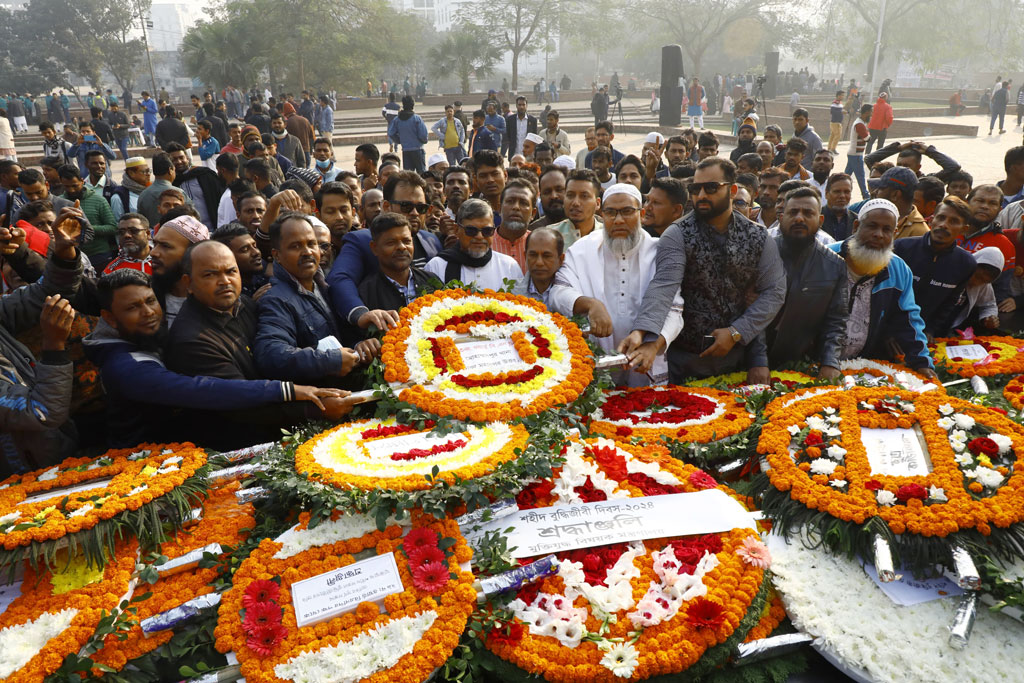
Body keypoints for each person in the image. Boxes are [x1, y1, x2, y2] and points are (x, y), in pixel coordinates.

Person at [622, 157, 786, 384]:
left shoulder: (758, 236)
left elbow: (774, 291)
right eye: (695, 189)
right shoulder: (677, 234)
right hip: (683, 360)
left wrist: (736, 332)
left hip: (736, 357)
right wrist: (643, 332)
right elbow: (663, 286)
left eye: (711, 188)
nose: (701, 196)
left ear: (733, 190)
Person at [550, 183, 683, 386]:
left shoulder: (658, 252)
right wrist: (590, 304)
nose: (619, 220)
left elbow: (674, 309)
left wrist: (653, 346)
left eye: (627, 211)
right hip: (594, 363)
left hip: (644, 360)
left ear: (642, 213)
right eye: (611, 212)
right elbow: (558, 291)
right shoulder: (582, 250)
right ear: (602, 215)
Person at [0, 208, 82, 475]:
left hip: (56, 458)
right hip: (22, 479)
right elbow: (41, 411)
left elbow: (48, 292)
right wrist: (54, 345)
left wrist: (62, 252)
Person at [827, 198, 935, 375]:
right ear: (856, 226)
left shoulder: (898, 270)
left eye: (887, 230)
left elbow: (908, 319)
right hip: (814, 361)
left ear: (895, 233)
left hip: (863, 365)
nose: (878, 234)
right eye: (872, 226)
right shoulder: (828, 257)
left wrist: (922, 362)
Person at [255, 212, 364, 384]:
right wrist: (329, 361)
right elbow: (271, 354)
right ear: (277, 255)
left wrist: (360, 344)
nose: (307, 252)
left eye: (312, 244)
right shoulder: (276, 300)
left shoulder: (324, 285)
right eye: (295, 246)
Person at [328, 171, 440, 328]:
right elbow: (340, 279)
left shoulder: (431, 240)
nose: (414, 213)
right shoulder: (362, 241)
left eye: (421, 208)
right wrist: (361, 314)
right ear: (386, 206)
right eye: (406, 206)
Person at [764, 187, 847, 376]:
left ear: (821, 220)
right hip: (749, 361)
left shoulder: (835, 265)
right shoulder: (761, 254)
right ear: (781, 217)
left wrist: (830, 362)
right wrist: (757, 361)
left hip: (802, 364)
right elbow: (749, 311)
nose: (799, 218)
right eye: (793, 212)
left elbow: (836, 320)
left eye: (808, 213)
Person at [892, 195, 976, 337]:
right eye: (941, 218)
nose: (944, 224)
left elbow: (950, 303)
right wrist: (888, 332)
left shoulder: (966, 263)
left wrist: (931, 330)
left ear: (964, 229)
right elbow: (885, 295)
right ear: (931, 220)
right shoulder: (901, 248)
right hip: (887, 330)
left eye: (954, 221)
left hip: (923, 335)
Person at [425, 198, 521, 289]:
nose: (479, 236)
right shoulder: (436, 267)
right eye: (471, 230)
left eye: (487, 231)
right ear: (456, 230)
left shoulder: (509, 266)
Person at [150, 214, 210, 325]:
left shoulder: (214, 301)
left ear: (192, 253)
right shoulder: (147, 301)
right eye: (155, 244)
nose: (153, 252)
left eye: (165, 246)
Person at [58, 164, 116, 268]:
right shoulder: (59, 202)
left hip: (99, 255)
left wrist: (85, 228)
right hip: (73, 257)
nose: (71, 190)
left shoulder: (98, 200)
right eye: (67, 186)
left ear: (82, 181)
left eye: (75, 185)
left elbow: (112, 227)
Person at [167, 143, 223, 231]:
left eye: (181, 158)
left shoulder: (205, 175)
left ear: (187, 158)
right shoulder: (171, 183)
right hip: (187, 232)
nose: (179, 162)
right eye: (174, 159)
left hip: (213, 229)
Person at [949, 247, 1003, 332]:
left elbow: (989, 305)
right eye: (977, 277)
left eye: (984, 281)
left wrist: (988, 317)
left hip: (951, 327)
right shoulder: (952, 269)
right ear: (973, 264)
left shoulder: (984, 284)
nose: (976, 283)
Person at [548, 168, 603, 249]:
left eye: (584, 196)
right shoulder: (550, 235)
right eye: (570, 195)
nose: (575, 203)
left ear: (597, 203)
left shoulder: (607, 236)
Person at [869, 167, 928, 240]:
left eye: (881, 188)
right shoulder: (878, 216)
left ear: (895, 195)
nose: (875, 192)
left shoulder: (918, 232)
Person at [864, 140, 962, 183]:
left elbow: (953, 167)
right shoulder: (889, 177)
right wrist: (898, 148)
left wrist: (929, 151)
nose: (901, 168)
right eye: (899, 164)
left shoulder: (925, 182)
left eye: (907, 166)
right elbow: (869, 159)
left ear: (918, 167)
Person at [212, 223, 268, 297]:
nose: (256, 252)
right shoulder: (224, 293)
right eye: (245, 249)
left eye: (255, 246)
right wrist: (249, 305)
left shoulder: (265, 273)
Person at [492, 178, 534, 272]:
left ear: (533, 213)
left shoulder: (539, 244)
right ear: (499, 208)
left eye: (523, 203)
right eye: (510, 201)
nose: (516, 207)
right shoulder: (486, 243)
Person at [388, 96, 428, 173]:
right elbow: (423, 135)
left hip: (406, 150)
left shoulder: (397, 119)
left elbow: (391, 133)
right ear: (412, 105)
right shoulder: (416, 118)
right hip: (418, 149)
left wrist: (399, 140)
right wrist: (422, 141)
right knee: (422, 173)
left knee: (408, 175)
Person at [821, 173, 857, 241]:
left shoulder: (857, 221)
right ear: (826, 194)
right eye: (837, 191)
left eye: (846, 192)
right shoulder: (816, 218)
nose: (842, 196)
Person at [506, 96, 538, 161]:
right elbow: (509, 136)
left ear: (526, 106)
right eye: (519, 105)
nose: (521, 107)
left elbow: (534, 137)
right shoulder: (510, 119)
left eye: (523, 105)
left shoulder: (532, 120)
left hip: (528, 156)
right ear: (516, 106)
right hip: (514, 154)